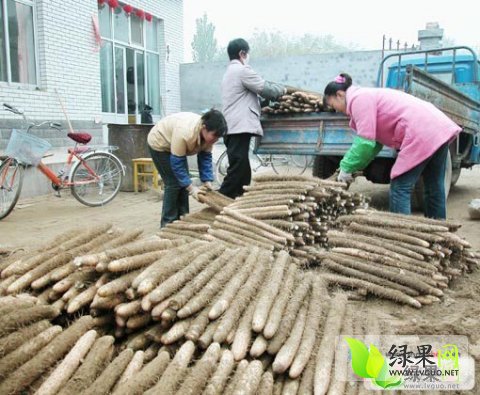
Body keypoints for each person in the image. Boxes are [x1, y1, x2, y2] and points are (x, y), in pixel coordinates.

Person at [323, 73, 461, 219]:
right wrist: (355, 167)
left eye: (333, 105)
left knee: (400, 186)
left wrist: (345, 167)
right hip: (437, 128)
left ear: (339, 94)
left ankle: (402, 235)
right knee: (434, 186)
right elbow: (374, 144)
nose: (336, 110)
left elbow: (364, 142)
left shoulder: (358, 99)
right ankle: (438, 232)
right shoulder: (366, 95)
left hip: (420, 132)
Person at [219, 38, 287, 198]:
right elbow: (266, 89)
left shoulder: (229, 72)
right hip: (238, 127)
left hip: (233, 126)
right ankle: (221, 196)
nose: (248, 58)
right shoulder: (242, 71)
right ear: (242, 53)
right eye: (247, 54)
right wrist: (283, 90)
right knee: (238, 167)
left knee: (241, 167)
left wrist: (261, 105)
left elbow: (245, 98)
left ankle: (238, 198)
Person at [147, 109, 227, 227]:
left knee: (183, 183)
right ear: (204, 127)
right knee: (173, 183)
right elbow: (177, 164)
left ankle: (184, 218)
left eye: (218, 137)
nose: (216, 140)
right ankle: (167, 224)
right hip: (160, 144)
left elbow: (205, 158)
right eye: (214, 135)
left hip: (176, 148)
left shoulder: (208, 137)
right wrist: (192, 189)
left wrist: (207, 181)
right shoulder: (185, 132)